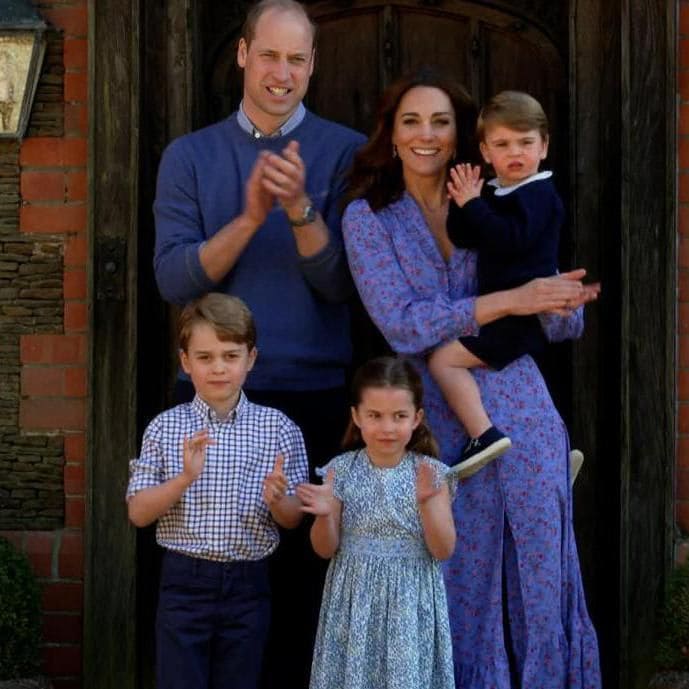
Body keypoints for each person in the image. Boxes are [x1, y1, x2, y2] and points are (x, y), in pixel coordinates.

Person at [342, 68, 601, 688]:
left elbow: (555, 312)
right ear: (392, 134)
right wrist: (509, 302)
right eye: (411, 122)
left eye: (440, 122)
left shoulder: (501, 195)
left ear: (464, 138)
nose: (426, 135)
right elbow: (403, 326)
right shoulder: (369, 217)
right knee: (457, 572)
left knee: (540, 570)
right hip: (434, 417)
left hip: (521, 400)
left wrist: (562, 302)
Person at [152, 1, 365, 685]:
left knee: (304, 584)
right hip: (212, 399)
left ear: (312, 64)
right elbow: (173, 277)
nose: (281, 72)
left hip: (313, 394)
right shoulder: (190, 155)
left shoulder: (348, 152)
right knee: (213, 582)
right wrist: (248, 217)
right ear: (242, 54)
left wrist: (300, 208)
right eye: (268, 55)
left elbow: (344, 287)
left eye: (295, 59)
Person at [126, 293, 309, 689]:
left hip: (249, 583)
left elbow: (293, 519)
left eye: (230, 355)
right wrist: (183, 479)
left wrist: (278, 499)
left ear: (251, 359)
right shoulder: (165, 428)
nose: (219, 368)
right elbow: (138, 513)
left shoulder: (278, 429)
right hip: (183, 582)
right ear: (185, 361)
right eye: (205, 357)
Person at [296, 356, 456, 689]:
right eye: (375, 416)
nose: (387, 427)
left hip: (410, 602)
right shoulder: (340, 470)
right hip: (355, 600)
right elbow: (324, 550)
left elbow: (443, 549)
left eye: (399, 416)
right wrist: (325, 515)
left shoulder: (431, 473)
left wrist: (428, 503)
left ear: (417, 418)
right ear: (356, 416)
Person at [427, 90, 563, 479]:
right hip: (503, 313)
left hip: (518, 319)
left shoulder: (539, 194)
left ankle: (482, 435)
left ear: (544, 145)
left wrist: (475, 204)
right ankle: (549, 457)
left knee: (443, 359)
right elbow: (466, 236)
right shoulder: (499, 192)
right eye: (502, 144)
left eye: (525, 142)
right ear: (486, 152)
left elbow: (510, 239)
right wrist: (463, 201)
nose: (515, 152)